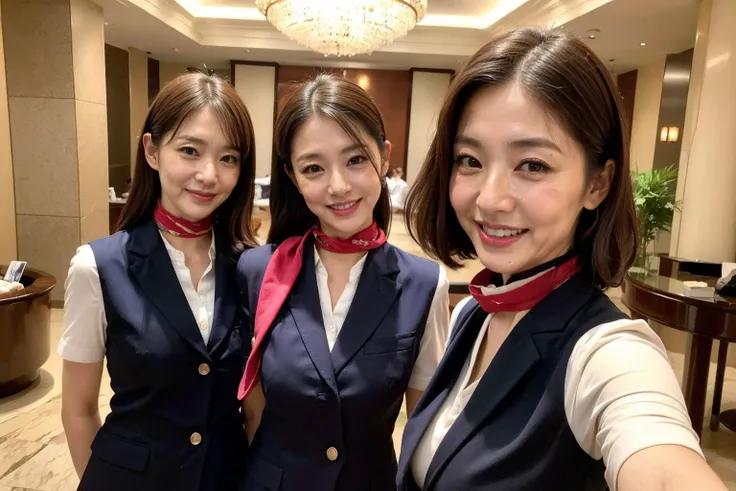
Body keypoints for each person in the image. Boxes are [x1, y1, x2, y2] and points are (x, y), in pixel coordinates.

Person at [397, 28, 727, 491]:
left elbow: (662, 461)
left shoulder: (610, 353)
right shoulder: (473, 312)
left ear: (598, 184)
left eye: (532, 165)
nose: (490, 199)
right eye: (469, 159)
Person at [236, 74, 450, 491]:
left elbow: (422, 424)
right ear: (292, 176)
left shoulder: (425, 283)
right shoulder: (258, 271)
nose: (338, 186)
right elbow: (253, 408)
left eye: (355, 160)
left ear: (384, 157)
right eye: (313, 168)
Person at [59, 72, 258, 491]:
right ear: (152, 150)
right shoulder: (98, 267)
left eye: (228, 158)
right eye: (190, 151)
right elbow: (77, 409)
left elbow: (256, 406)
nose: (209, 174)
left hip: (226, 478)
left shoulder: (249, 267)